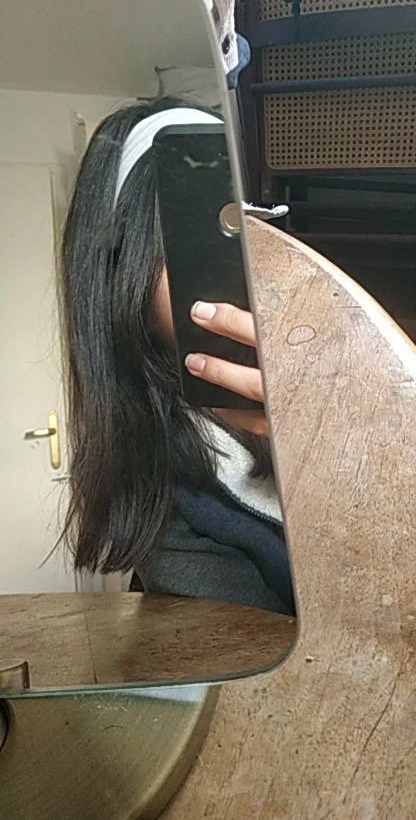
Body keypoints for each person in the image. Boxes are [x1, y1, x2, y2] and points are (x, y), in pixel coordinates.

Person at [61, 97, 294, 616]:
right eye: (203, 239)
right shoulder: (172, 507)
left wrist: (348, 432)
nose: (246, 266)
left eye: (248, 223)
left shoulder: (338, 358)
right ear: (125, 278)